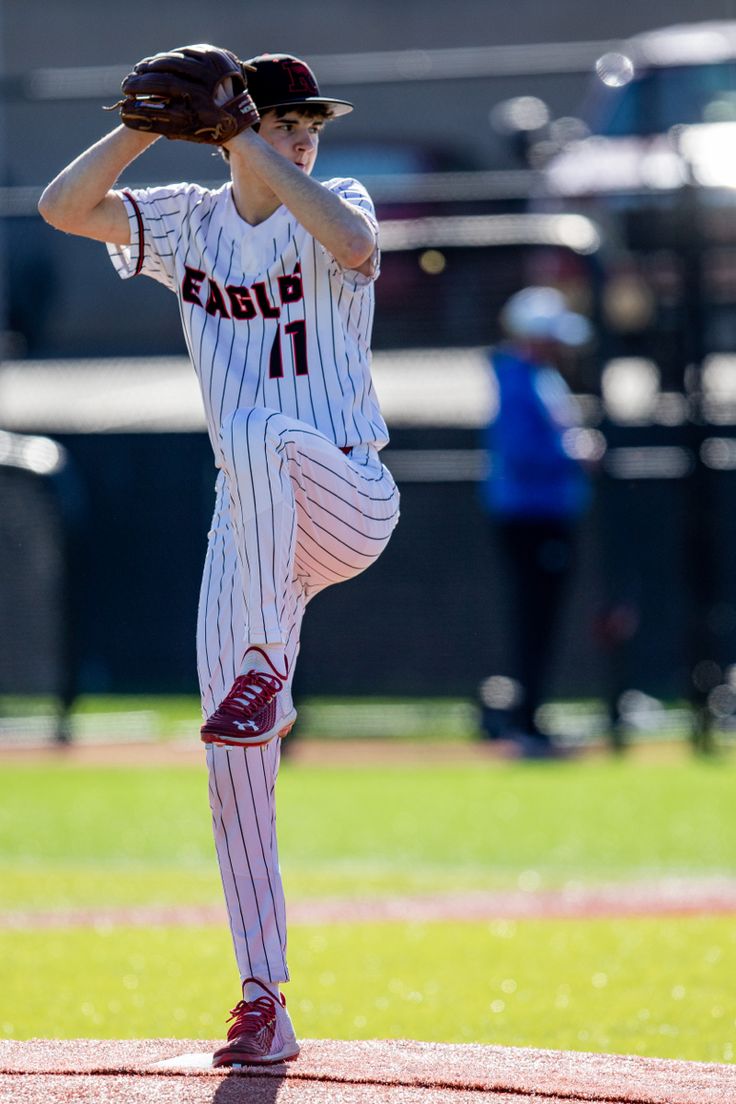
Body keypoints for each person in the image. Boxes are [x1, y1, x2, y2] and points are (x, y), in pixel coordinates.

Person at [39, 48, 400, 1066]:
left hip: (343, 494)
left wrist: (243, 136)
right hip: (250, 528)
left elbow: (357, 242)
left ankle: (265, 667)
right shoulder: (191, 221)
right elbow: (68, 207)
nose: (301, 136)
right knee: (232, 761)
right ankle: (261, 997)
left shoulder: (336, 200)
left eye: (303, 124)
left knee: (253, 428)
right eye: (285, 122)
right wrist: (151, 125)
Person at [479, 286, 592, 758]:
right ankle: (526, 725)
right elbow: (522, 453)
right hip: (531, 517)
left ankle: (533, 720)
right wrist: (572, 453)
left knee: (543, 621)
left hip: (546, 514)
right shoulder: (518, 379)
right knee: (533, 619)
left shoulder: (538, 377)